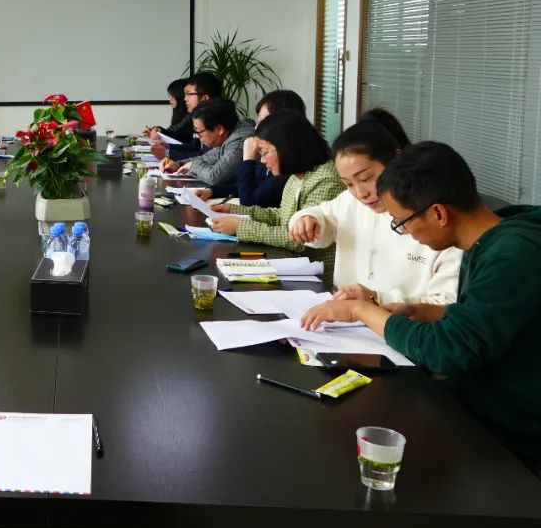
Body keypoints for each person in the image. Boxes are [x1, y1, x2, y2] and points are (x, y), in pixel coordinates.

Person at [300, 143, 541, 495]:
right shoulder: (490, 240)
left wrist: (361, 311)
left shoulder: (513, 254)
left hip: (510, 432)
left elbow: (449, 348)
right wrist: (418, 310)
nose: (405, 233)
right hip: (476, 405)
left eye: (402, 223)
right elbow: (481, 316)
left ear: (439, 213)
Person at [288, 121, 461, 305]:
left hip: (396, 321)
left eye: (366, 178)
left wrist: (377, 299)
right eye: (348, 184)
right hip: (343, 314)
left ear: (396, 161)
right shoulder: (350, 202)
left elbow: (444, 305)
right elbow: (321, 215)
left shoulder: (434, 220)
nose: (360, 193)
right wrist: (306, 219)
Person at [207, 109, 344, 269]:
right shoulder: (296, 176)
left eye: (265, 152)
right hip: (292, 264)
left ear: (287, 147)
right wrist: (234, 209)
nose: (262, 160)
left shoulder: (326, 179)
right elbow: (281, 216)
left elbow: (300, 240)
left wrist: (240, 227)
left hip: (315, 275)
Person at [196, 88, 307, 206]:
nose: (256, 128)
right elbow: (251, 183)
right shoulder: (275, 153)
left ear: (283, 122)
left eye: (262, 121)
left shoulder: (288, 163)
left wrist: (248, 158)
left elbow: (249, 202)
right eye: (257, 120)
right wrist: (212, 191)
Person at [163, 98, 254, 186]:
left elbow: (214, 177)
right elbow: (206, 158)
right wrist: (179, 164)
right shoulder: (227, 135)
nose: (199, 138)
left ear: (219, 129)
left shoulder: (239, 142)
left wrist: (192, 166)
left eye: (200, 132)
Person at [147, 73, 222, 162]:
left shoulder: (215, 120)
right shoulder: (201, 117)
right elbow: (195, 145)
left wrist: (168, 153)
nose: (185, 99)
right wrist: (168, 146)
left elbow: (205, 156)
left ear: (205, 98)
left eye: (189, 94)